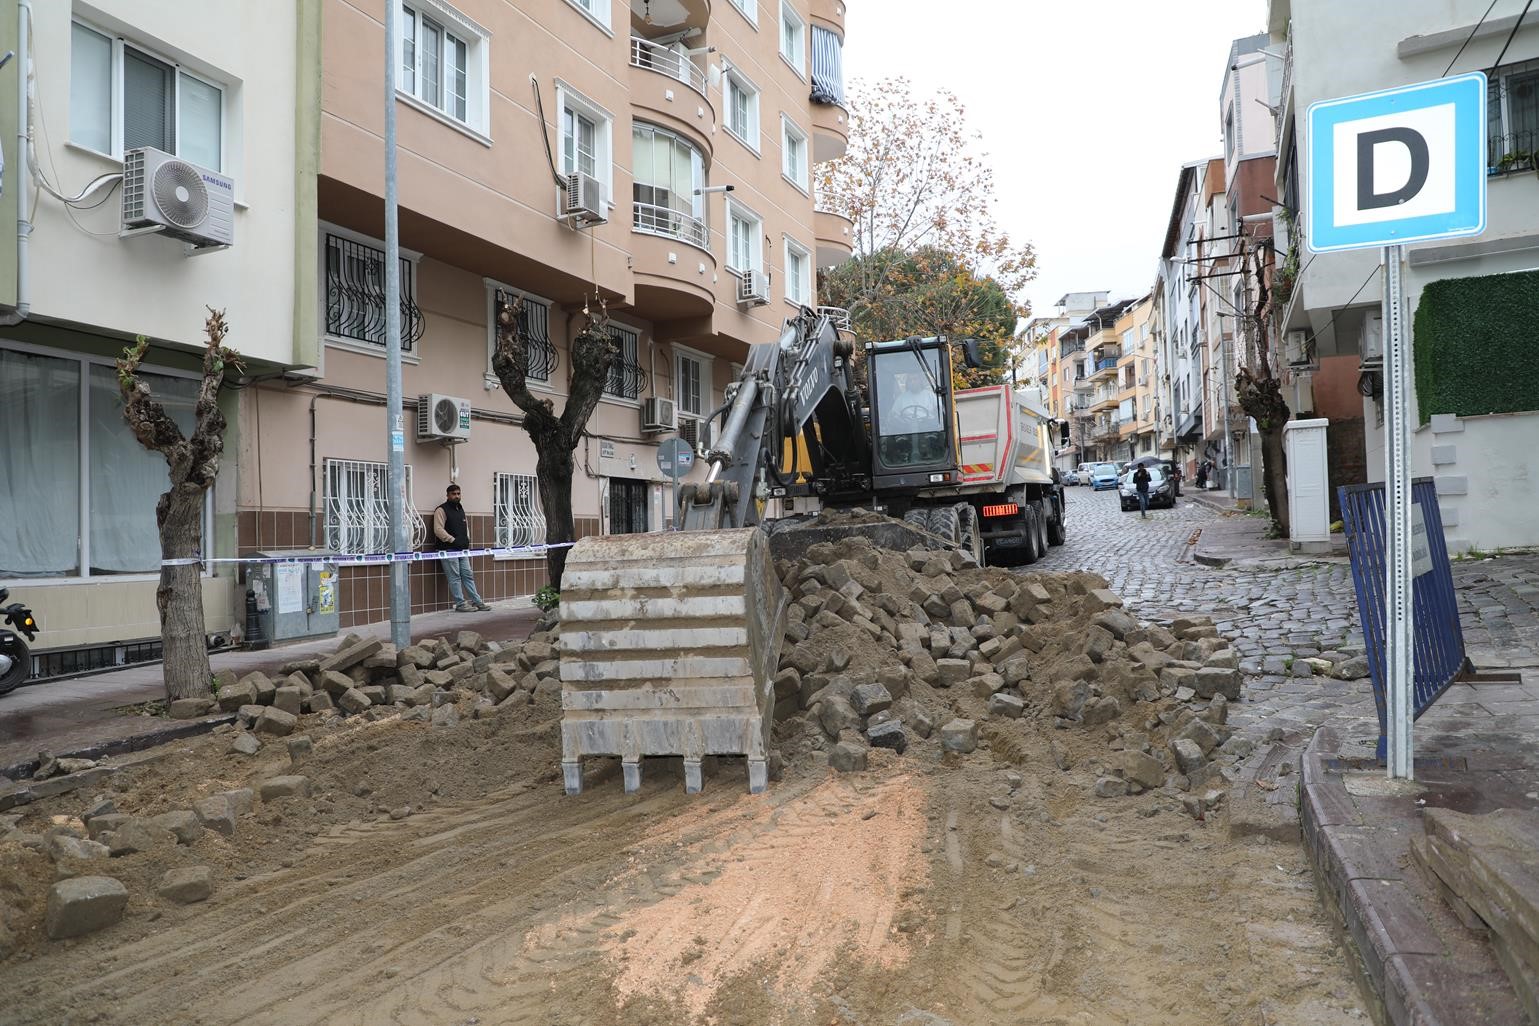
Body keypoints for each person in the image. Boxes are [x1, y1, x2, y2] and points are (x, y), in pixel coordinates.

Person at [433, 484, 490, 612]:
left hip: (462, 549)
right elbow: (438, 529)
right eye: (453, 494)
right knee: (455, 577)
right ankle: (460, 604)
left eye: (458, 493)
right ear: (447, 495)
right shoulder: (441, 510)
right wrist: (453, 540)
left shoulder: (460, 509)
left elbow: (465, 528)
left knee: (468, 575)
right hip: (448, 550)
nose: (456, 496)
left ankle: (477, 601)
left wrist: (466, 540)